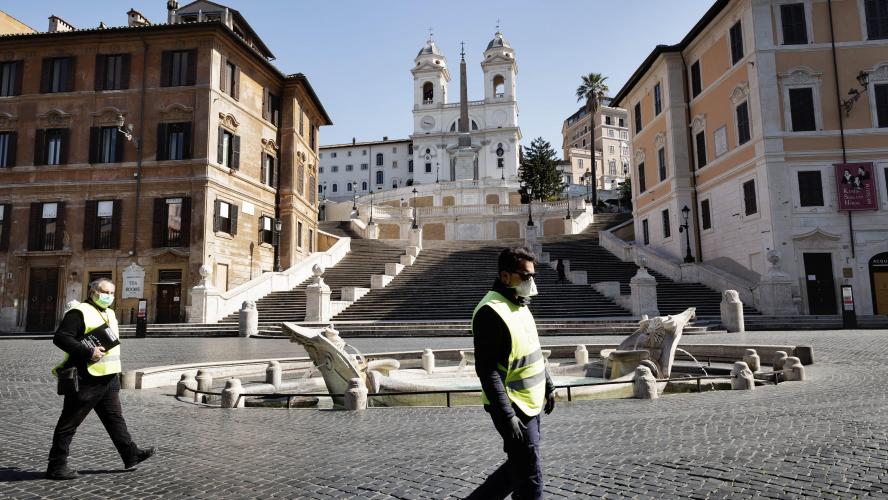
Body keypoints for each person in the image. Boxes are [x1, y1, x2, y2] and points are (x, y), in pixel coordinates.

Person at [468, 247, 555, 499]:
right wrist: (507, 416)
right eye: (526, 276)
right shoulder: (490, 311)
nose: (531, 281)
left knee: (517, 468)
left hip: (532, 401)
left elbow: (532, 347)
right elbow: (487, 370)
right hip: (512, 406)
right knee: (531, 477)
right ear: (505, 277)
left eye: (533, 275)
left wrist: (548, 384)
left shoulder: (519, 302)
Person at [46, 278, 155, 480]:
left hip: (109, 377)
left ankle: (131, 454)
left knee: (114, 418)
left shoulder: (110, 313)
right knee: (69, 422)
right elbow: (60, 337)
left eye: (112, 293)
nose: (109, 297)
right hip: (87, 377)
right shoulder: (79, 312)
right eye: (105, 292)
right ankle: (56, 465)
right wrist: (88, 352)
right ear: (93, 291)